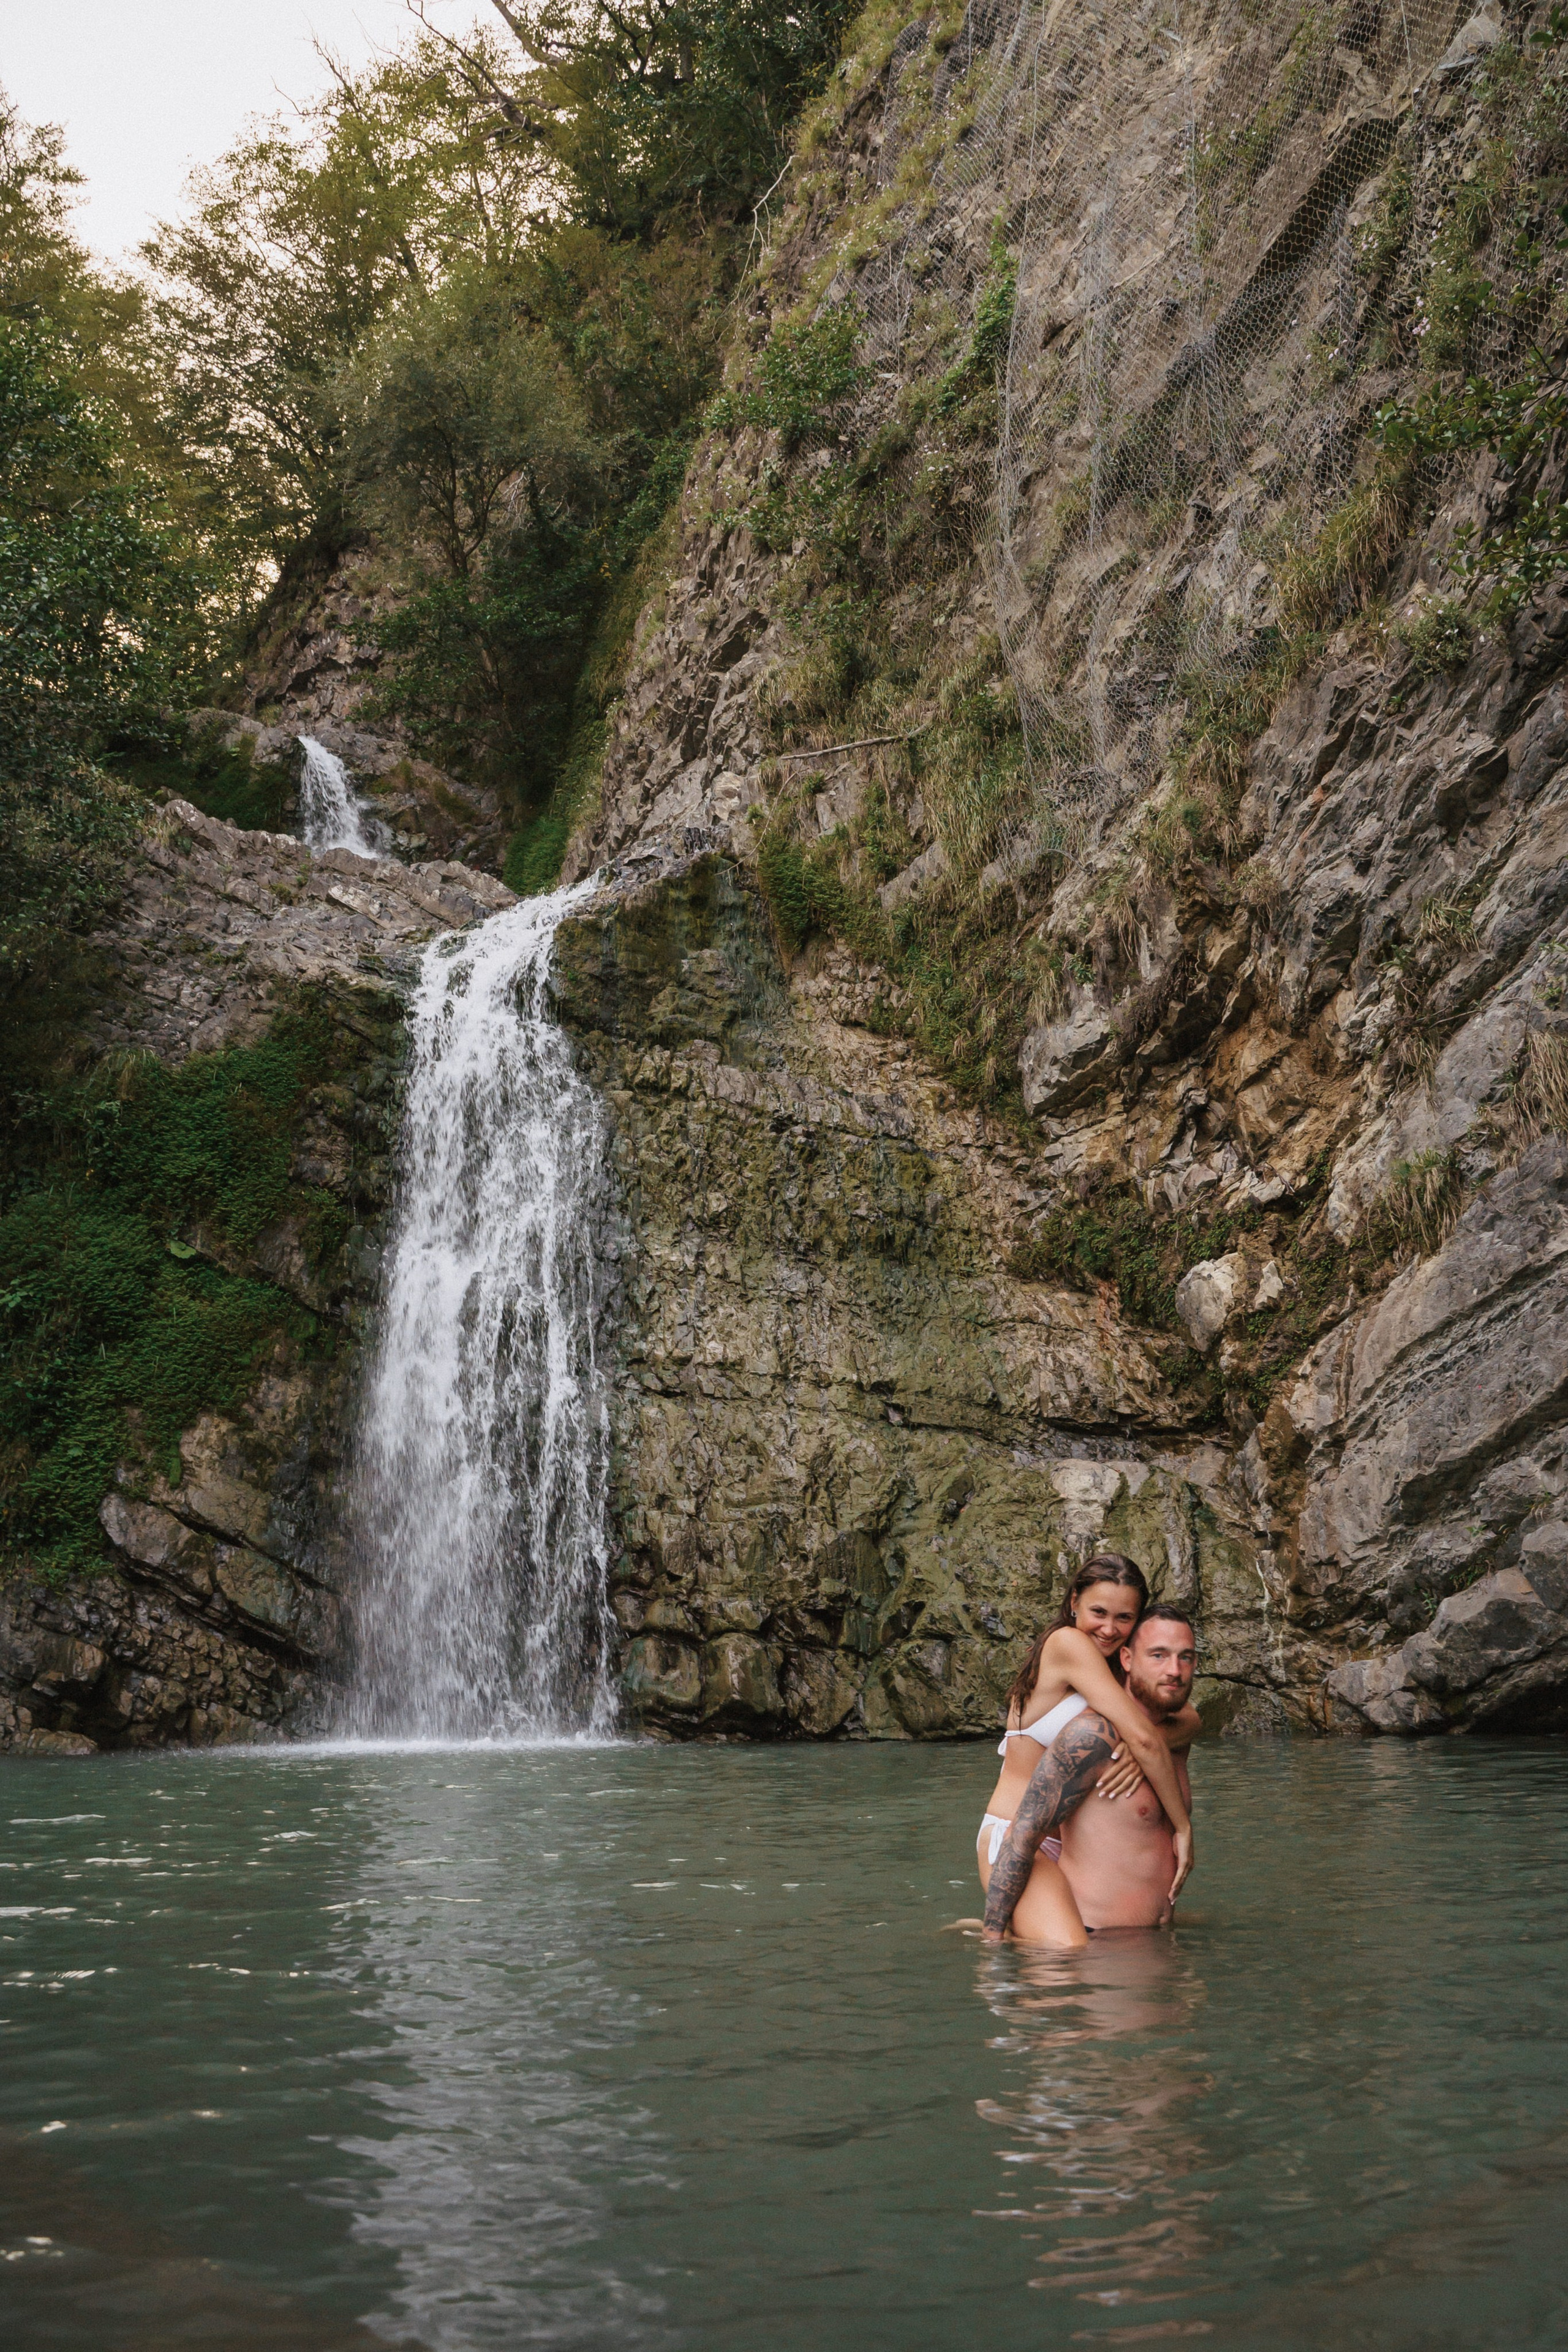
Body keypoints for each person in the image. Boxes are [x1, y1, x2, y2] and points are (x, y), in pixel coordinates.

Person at [976, 1556, 1197, 1948]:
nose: (1109, 1629)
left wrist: (1150, 1744)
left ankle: (1021, 1929)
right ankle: (997, 1936)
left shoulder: (1114, 1663)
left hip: (1067, 1837)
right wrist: (1182, 1826)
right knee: (1069, 1951)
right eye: (1099, 1612)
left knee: (1090, 1944)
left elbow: (1190, 1719)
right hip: (1016, 1833)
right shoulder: (1069, 1643)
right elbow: (1142, 1736)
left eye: (1125, 1618)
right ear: (1074, 1601)